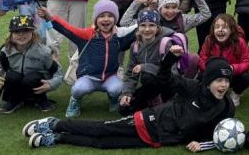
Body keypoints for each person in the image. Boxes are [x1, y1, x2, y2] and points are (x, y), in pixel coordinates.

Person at [24, 55, 235, 150]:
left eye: (226, 81)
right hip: (148, 121)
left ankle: (58, 138)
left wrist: (203, 144)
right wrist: (169, 59)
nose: (223, 85)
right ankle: (54, 124)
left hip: (159, 139)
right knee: (101, 130)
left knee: (103, 144)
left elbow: (218, 136)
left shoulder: (226, 108)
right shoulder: (193, 89)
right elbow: (164, 79)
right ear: (208, 82)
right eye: (219, 80)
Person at [38, 0, 137, 118]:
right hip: (88, 77)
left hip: (110, 77)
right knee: (78, 89)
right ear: (95, 19)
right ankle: (75, 102)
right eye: (102, 16)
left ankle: (114, 99)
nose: (106, 19)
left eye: (110, 16)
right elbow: (66, 28)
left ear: (115, 19)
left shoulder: (119, 36)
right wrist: (49, 17)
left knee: (118, 88)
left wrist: (148, 8)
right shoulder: (86, 35)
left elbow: (138, 28)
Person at [0, 14, 63, 113]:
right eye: (17, 31)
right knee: (12, 76)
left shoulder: (44, 52)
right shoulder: (5, 52)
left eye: (26, 31)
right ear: (11, 34)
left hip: (35, 84)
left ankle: (40, 100)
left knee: (32, 77)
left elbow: (59, 73)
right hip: (15, 86)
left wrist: (51, 84)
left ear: (33, 32)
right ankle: (14, 100)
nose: (21, 35)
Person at [198, 13, 249, 106]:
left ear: (231, 30)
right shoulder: (209, 40)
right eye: (217, 27)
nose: (220, 30)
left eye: (225, 27)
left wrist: (232, 68)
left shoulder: (240, 42)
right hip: (215, 74)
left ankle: (236, 94)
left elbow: (247, 61)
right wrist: (211, 68)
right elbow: (202, 58)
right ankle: (211, 92)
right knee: (200, 75)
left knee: (246, 77)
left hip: (231, 75)